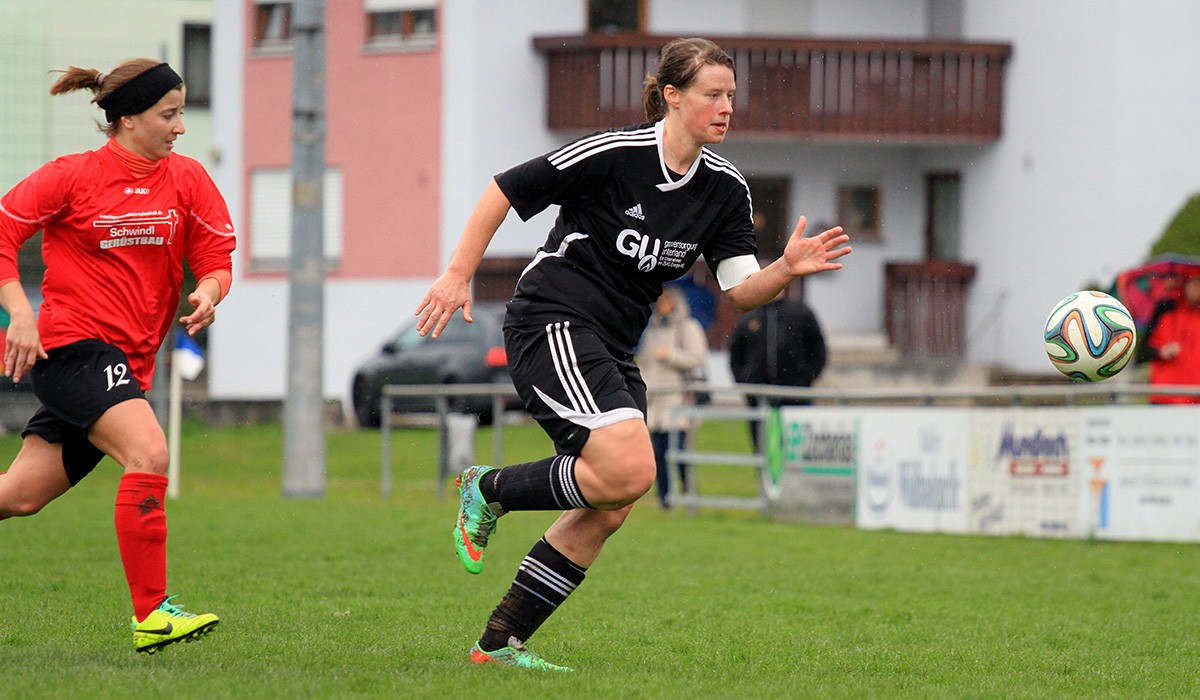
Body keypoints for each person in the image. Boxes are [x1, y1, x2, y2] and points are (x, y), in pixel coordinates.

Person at [415, 37, 850, 672]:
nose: (727, 108)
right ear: (672, 96)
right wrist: (458, 274)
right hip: (551, 319)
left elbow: (740, 290)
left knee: (612, 502)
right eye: (713, 95)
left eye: (731, 96)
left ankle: (498, 645)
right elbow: (504, 189)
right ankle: (488, 488)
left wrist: (783, 268)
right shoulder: (613, 154)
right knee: (631, 468)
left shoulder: (726, 189)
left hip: (614, 345)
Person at [0, 59, 235, 654]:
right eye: (168, 114)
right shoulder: (72, 176)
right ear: (128, 118)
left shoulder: (188, 179)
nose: (180, 126)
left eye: (181, 112)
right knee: (149, 452)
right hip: (72, 349)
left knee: (18, 496)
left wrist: (209, 292)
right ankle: (152, 614)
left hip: (125, 367)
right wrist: (20, 313)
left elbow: (215, 259)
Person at [728, 286, 827, 450]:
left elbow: (818, 347)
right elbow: (735, 354)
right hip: (759, 395)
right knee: (762, 448)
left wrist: (807, 376)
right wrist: (745, 382)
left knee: (797, 447)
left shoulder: (799, 312)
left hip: (796, 394)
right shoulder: (749, 316)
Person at [636, 285, 708, 509]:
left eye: (667, 302)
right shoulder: (652, 330)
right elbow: (645, 363)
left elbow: (697, 357)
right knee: (657, 454)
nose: (662, 307)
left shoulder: (688, 327)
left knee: (680, 453)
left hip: (679, 402)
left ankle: (687, 495)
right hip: (656, 404)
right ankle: (665, 499)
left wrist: (670, 355)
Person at [1138, 272, 1200, 404]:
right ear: (1184, 285)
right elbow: (1142, 351)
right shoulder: (1164, 312)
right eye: (1193, 282)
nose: (1196, 287)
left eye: (1199, 283)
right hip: (1165, 397)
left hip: (1196, 399)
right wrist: (1160, 352)